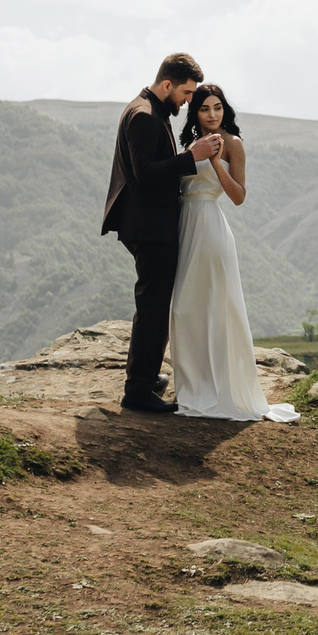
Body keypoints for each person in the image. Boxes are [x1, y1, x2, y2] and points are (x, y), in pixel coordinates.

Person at [167, 85, 300, 423]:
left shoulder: (233, 144)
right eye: (205, 109)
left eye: (218, 108)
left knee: (213, 306)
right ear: (194, 112)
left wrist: (214, 161)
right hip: (185, 225)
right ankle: (193, 387)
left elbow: (239, 196)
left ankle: (218, 390)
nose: (212, 115)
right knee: (185, 309)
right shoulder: (190, 142)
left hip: (210, 225)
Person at [101, 53, 224, 413]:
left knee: (154, 303)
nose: (188, 101)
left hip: (148, 224)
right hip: (150, 227)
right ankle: (138, 390)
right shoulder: (143, 115)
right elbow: (145, 173)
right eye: (186, 93)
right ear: (167, 84)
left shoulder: (149, 109)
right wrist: (193, 156)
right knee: (153, 307)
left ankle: (147, 376)